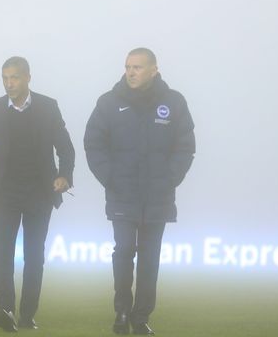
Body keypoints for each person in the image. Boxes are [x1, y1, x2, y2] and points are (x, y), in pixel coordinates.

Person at [84, 48, 195, 335]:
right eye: (127, 66)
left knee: (150, 258)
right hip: (122, 193)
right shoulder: (109, 103)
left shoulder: (174, 102)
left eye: (137, 67)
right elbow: (93, 144)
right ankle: (121, 311)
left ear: (154, 70)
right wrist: (110, 177)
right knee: (123, 251)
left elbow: (185, 147)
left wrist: (169, 178)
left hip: (158, 196)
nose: (131, 72)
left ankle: (141, 317)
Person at [0, 56, 75, 332]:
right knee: (2, 253)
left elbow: (66, 148)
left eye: (14, 77)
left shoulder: (48, 107)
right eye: (4, 78)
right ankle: (5, 309)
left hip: (39, 193)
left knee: (34, 256)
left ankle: (27, 315)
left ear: (28, 77)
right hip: (4, 194)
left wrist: (64, 176)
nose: (9, 83)